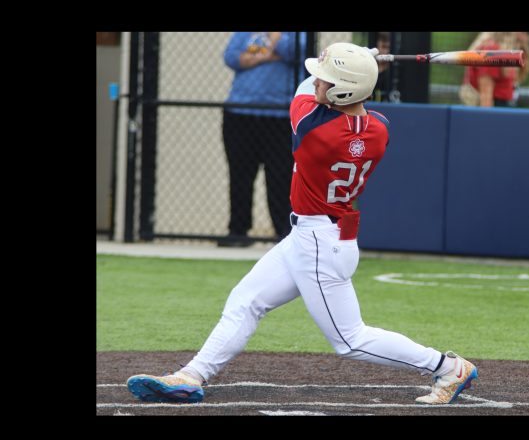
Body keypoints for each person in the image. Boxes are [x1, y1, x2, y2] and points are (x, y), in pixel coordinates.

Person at [126, 42, 478, 405]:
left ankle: (447, 367)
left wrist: (360, 60)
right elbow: (349, 104)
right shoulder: (379, 128)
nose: (318, 82)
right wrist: (359, 67)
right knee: (245, 301)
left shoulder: (314, 126)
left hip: (319, 244)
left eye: (327, 80)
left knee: (350, 340)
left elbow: (305, 89)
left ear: (344, 90)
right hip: (316, 236)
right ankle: (191, 376)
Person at [218, 32, 303, 247]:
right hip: (240, 113)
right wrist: (268, 55)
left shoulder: (300, 35)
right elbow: (231, 57)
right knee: (240, 174)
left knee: (280, 176)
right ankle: (238, 231)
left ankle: (283, 234)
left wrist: (273, 38)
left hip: (280, 116)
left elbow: (294, 52)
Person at [464, 31, 529, 108]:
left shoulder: (506, 51)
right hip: (496, 106)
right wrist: (488, 115)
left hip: (504, 105)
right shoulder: (491, 51)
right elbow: (485, 96)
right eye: (526, 33)